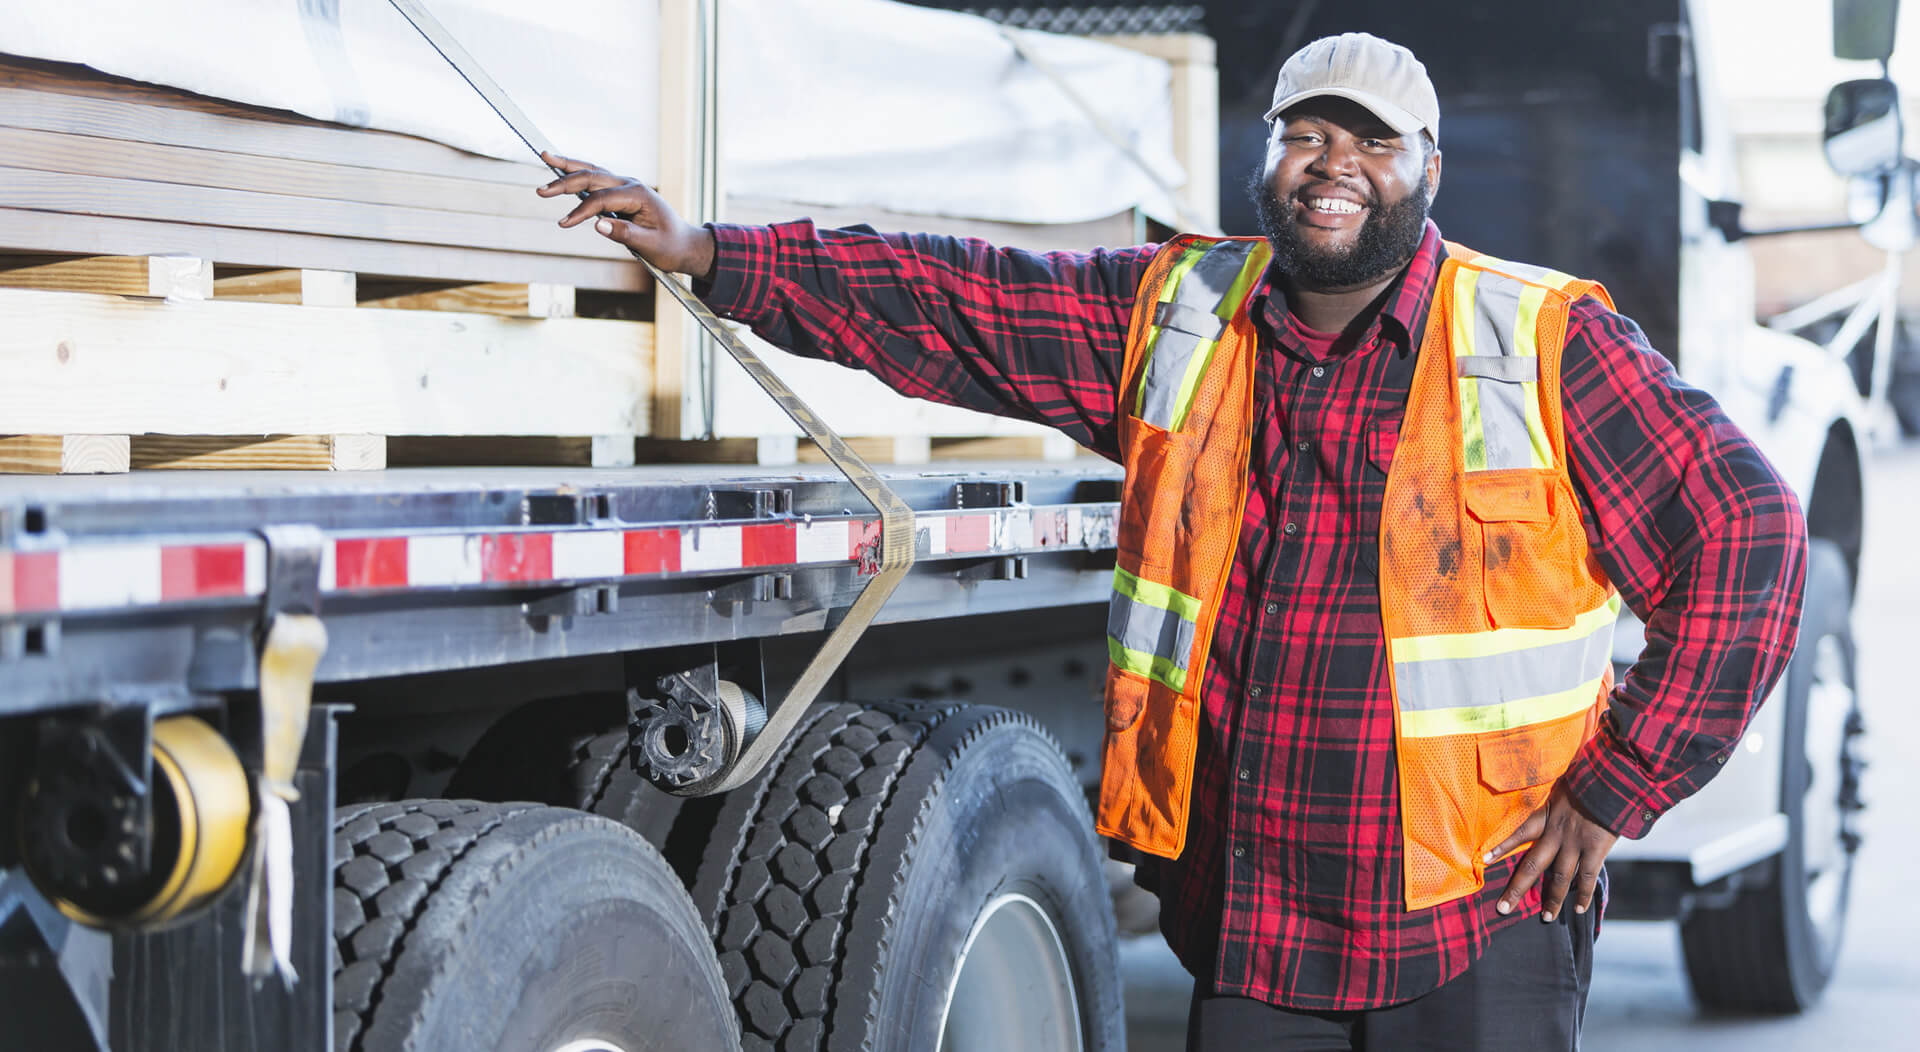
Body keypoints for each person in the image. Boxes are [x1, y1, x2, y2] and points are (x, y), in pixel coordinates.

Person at [537, 31, 1807, 1052]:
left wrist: (1620, 782)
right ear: (1268, 156)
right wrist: (714, 255)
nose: (1333, 161)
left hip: (1478, 918)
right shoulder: (1180, 314)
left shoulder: (1537, 338)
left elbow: (1750, 533)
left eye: (1370, 139)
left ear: (1426, 166)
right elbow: (949, 297)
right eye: (1307, 131)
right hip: (1252, 920)